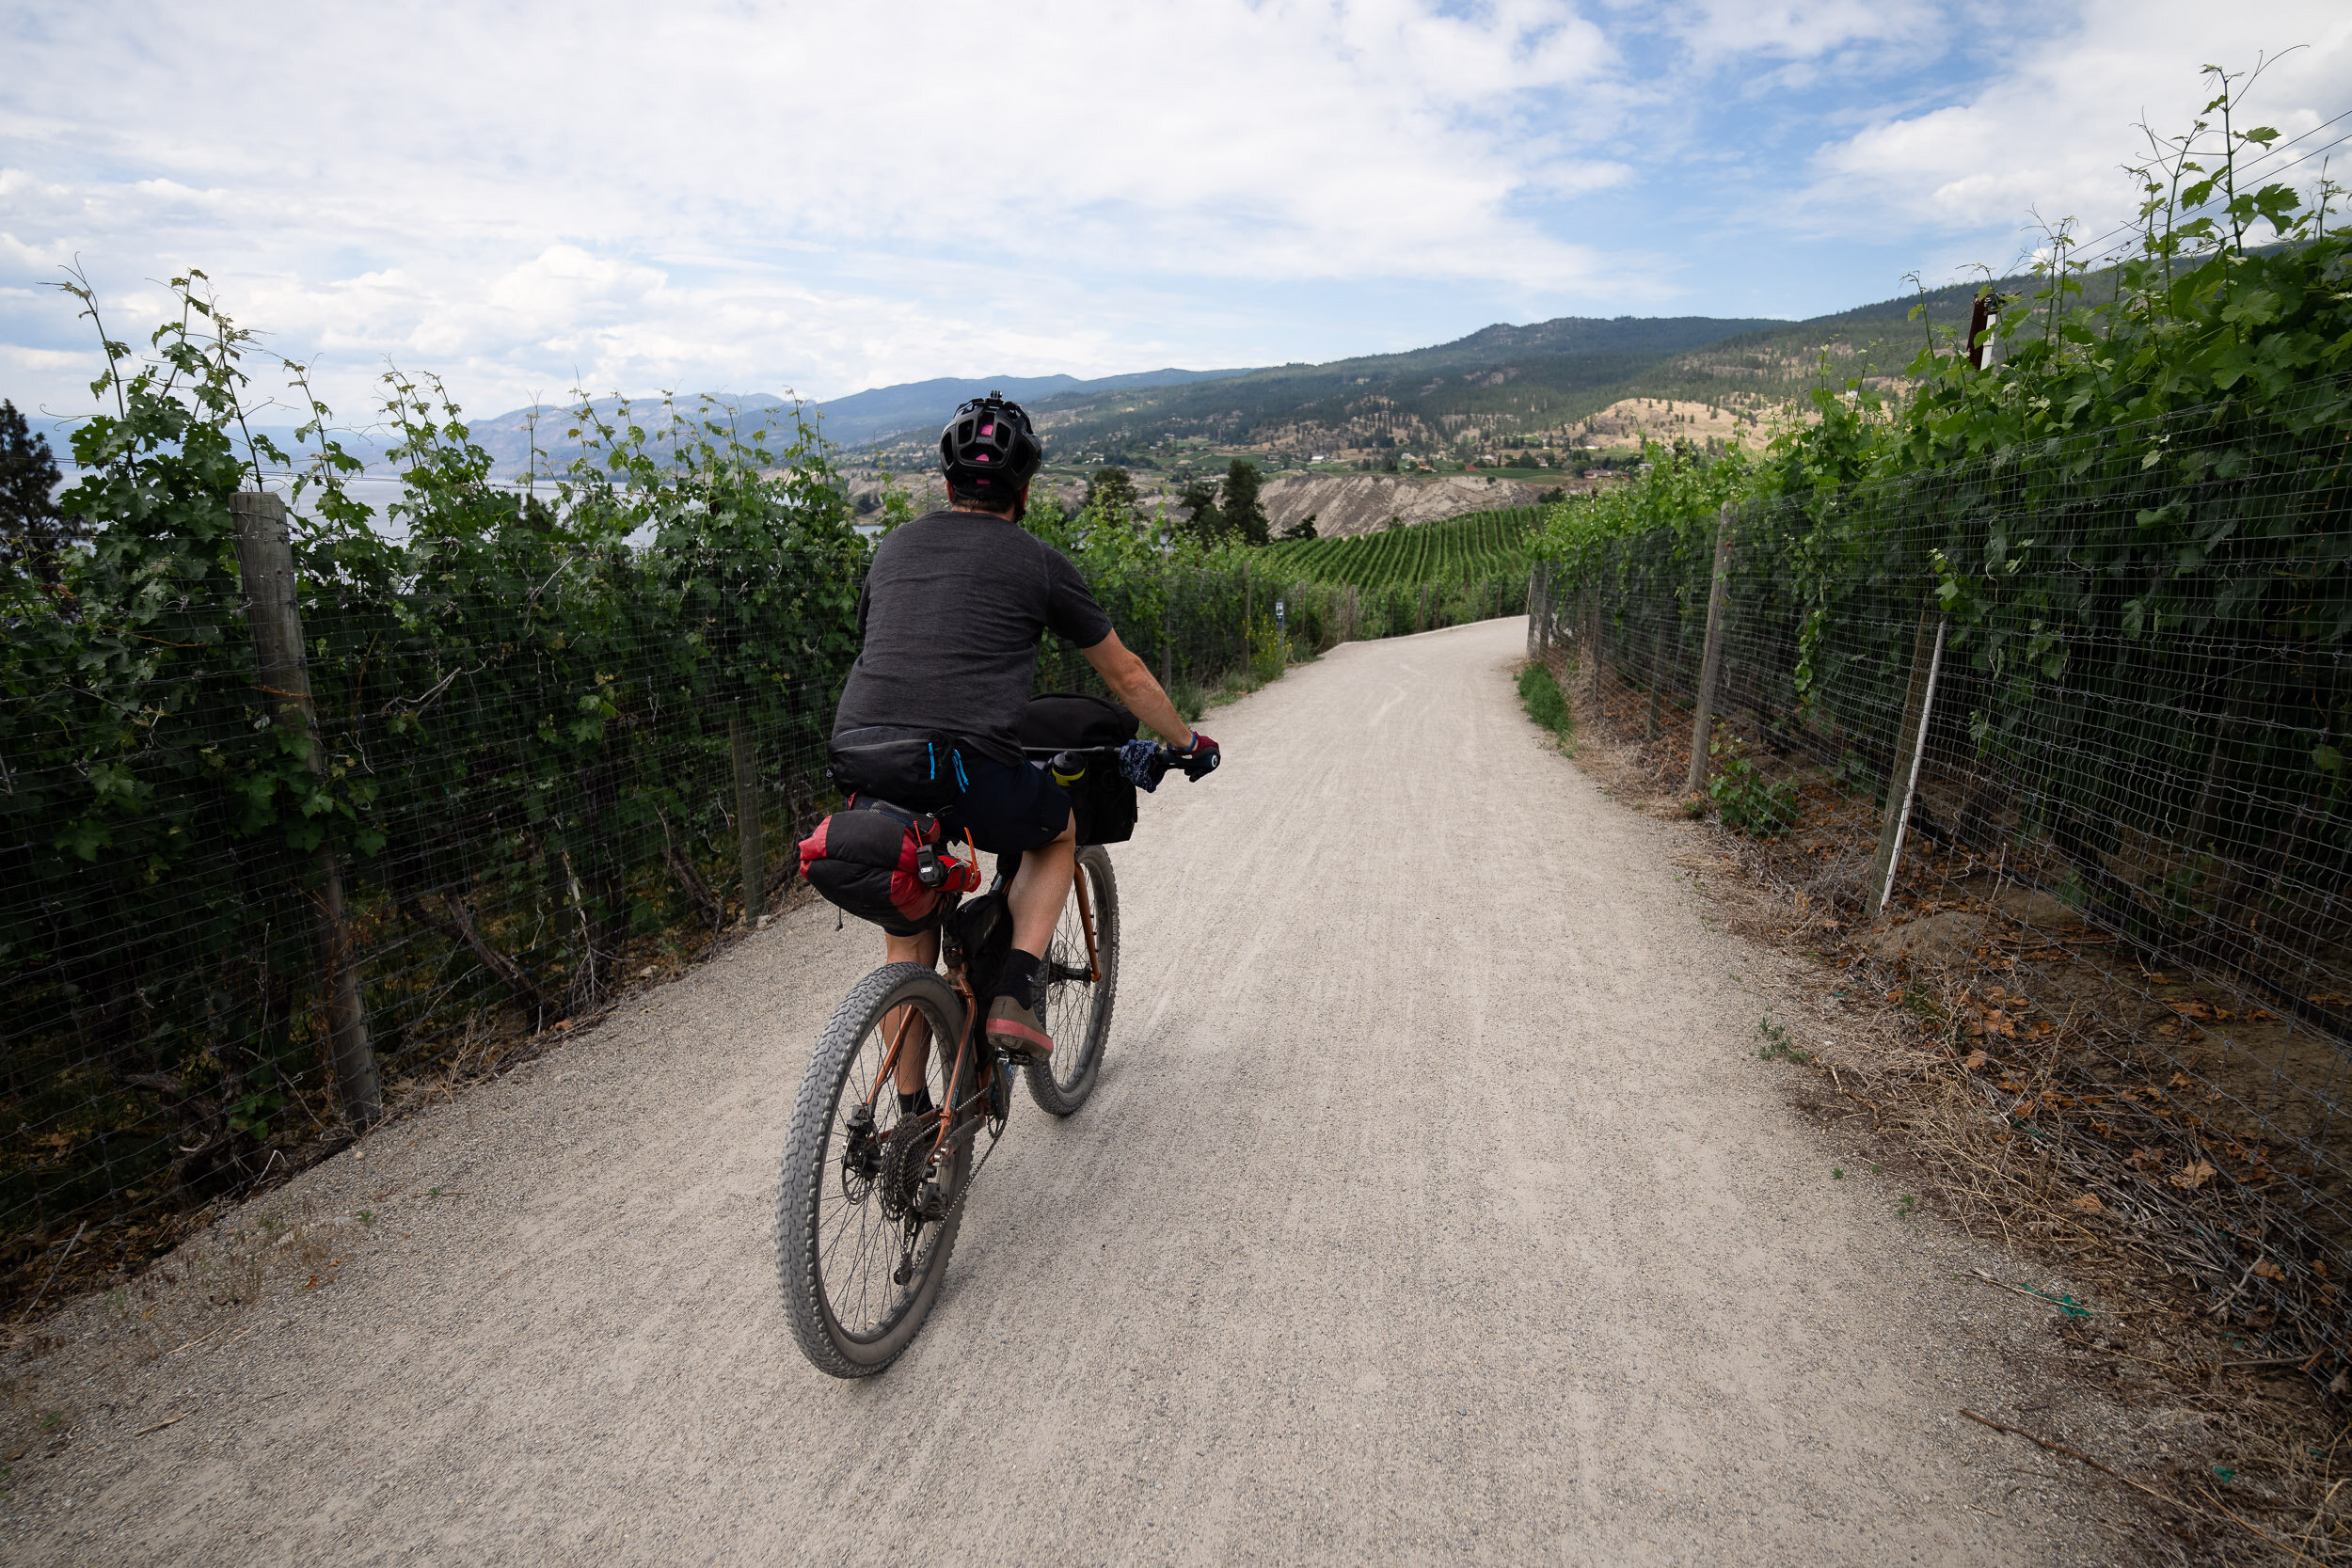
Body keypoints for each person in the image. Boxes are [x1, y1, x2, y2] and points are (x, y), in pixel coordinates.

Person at [829, 392, 1219, 1089]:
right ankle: (1014, 988)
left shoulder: (893, 547)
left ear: (947, 485)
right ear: (1027, 491)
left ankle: (915, 1120)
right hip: (962, 767)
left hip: (862, 754)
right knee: (1057, 830)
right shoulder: (1035, 560)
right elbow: (1126, 673)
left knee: (906, 931)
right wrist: (1187, 741)